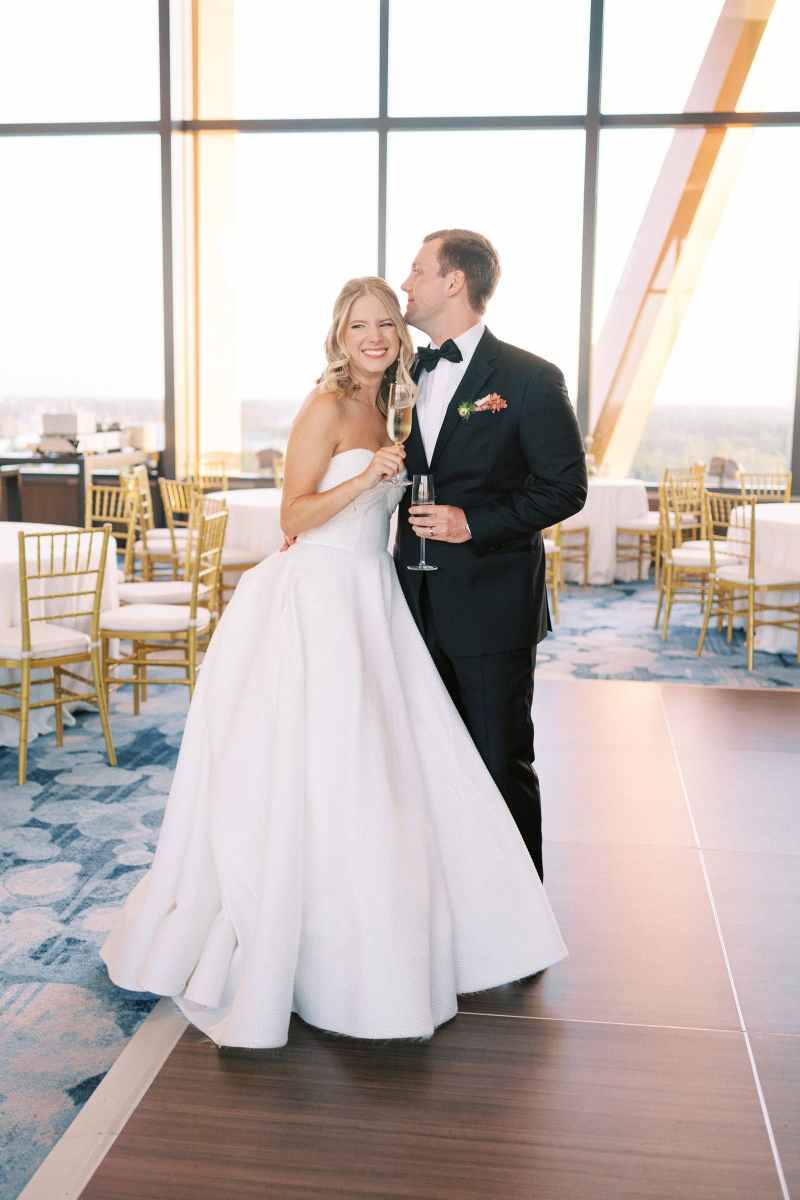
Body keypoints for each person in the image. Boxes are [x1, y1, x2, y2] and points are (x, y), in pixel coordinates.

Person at [100, 277, 567, 1050]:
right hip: (317, 598)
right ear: (339, 335)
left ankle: (373, 936)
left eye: (387, 322)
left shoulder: (393, 406)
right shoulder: (324, 406)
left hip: (372, 598)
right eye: (360, 326)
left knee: (380, 769)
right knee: (317, 766)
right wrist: (365, 478)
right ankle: (307, 943)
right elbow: (292, 516)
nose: (375, 336)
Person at [396, 230, 588, 881]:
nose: (406, 284)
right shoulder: (399, 376)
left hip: (490, 606)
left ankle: (519, 916)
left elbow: (566, 487)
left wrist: (471, 522)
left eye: (417, 271)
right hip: (404, 605)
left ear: (454, 282)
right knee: (424, 762)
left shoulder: (529, 379)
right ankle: (450, 900)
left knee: (499, 759)